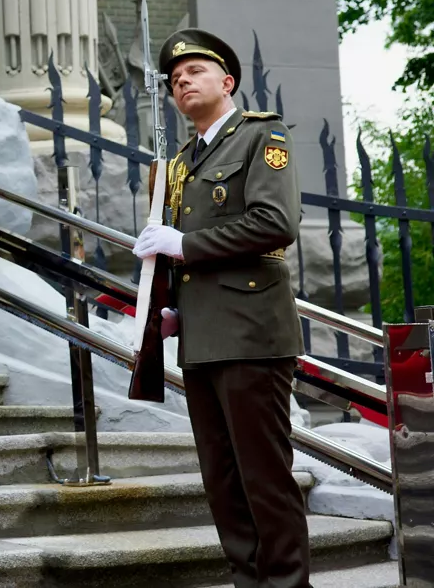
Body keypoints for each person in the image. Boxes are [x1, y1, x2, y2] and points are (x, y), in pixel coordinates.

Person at [132, 29, 309, 588]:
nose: (182, 80)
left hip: (253, 332)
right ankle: (248, 580)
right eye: (174, 78)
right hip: (203, 337)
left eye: (195, 72)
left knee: (264, 478)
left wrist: (182, 245)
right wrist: (176, 311)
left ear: (227, 81)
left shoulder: (260, 136)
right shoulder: (182, 161)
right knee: (223, 481)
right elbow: (193, 258)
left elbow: (275, 223)